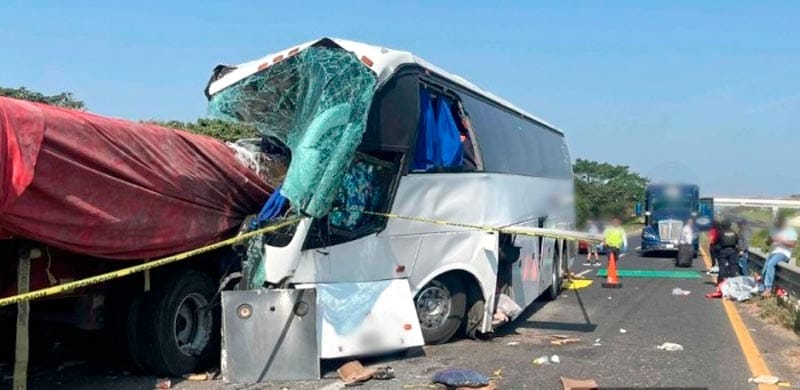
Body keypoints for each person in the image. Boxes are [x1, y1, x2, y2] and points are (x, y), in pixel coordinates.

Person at [758, 217, 797, 297]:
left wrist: (781, 240)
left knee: (770, 265)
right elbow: (768, 244)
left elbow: (793, 244)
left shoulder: (791, 231)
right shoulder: (775, 231)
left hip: (783, 253)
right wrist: (770, 240)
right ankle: (763, 287)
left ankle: (768, 289)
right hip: (774, 252)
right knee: (765, 268)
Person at [713, 219, 740, 284]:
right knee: (732, 267)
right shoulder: (734, 233)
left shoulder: (720, 233)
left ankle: (720, 282)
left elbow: (716, 241)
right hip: (732, 251)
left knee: (722, 266)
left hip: (723, 250)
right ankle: (732, 282)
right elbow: (737, 241)